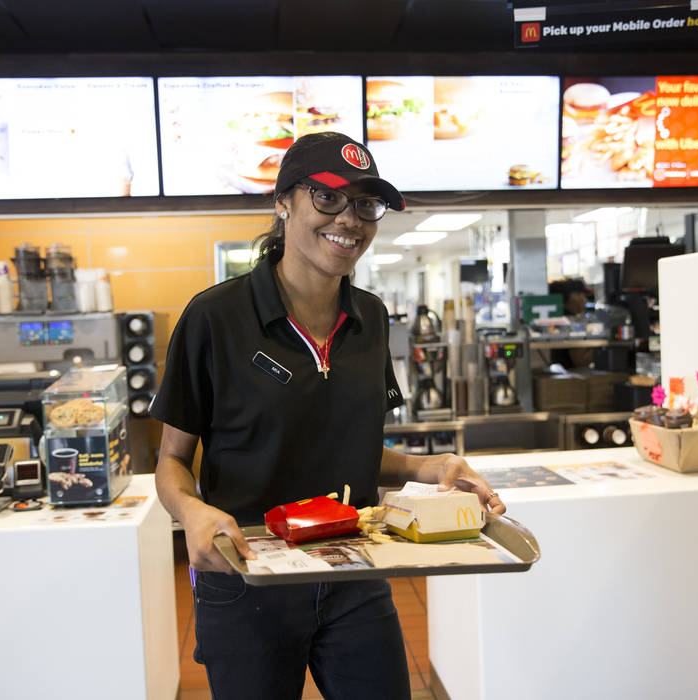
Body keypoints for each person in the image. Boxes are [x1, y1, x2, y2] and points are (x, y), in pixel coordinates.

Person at [150, 131, 506, 700]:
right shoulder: (215, 317)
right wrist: (191, 510)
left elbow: (352, 448)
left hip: (353, 571)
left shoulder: (371, 318)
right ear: (283, 202)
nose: (349, 219)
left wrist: (433, 467)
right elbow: (171, 460)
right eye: (328, 197)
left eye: (366, 204)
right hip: (249, 573)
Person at [548, 277, 594, 369]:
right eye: (580, 294)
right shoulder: (572, 322)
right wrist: (601, 347)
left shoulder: (558, 319)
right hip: (571, 372)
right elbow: (580, 360)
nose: (584, 299)